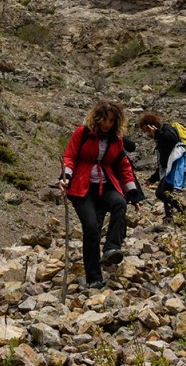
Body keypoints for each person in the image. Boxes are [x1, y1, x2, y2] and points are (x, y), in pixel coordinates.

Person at [59, 100, 144, 289]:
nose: (107, 124)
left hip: (105, 185)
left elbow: (123, 166)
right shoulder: (82, 133)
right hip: (83, 187)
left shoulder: (117, 140)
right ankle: (94, 277)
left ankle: (112, 248)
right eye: (105, 119)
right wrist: (66, 177)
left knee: (119, 203)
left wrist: (133, 194)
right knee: (91, 229)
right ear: (97, 118)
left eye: (112, 120)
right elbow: (70, 156)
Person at [137, 112, 186, 225]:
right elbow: (163, 162)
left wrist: (157, 132)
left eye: (147, 129)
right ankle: (185, 211)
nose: (148, 133)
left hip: (175, 167)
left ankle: (170, 218)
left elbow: (172, 140)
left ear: (152, 124)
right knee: (161, 193)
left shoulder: (166, 128)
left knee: (163, 192)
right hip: (169, 168)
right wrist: (152, 179)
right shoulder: (159, 135)